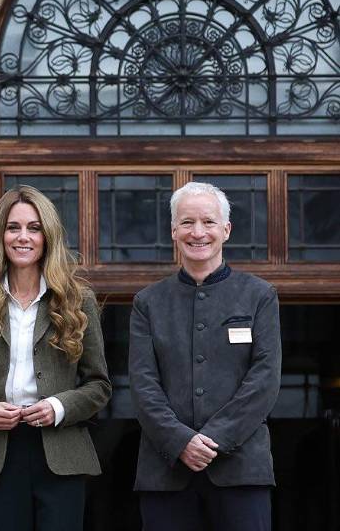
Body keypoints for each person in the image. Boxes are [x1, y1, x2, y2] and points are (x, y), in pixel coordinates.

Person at [0, 185, 111, 531]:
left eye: (33, 228)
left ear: (47, 236)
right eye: (13, 227)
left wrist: (58, 407)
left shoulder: (79, 301)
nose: (23, 237)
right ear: (0, 235)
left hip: (61, 452)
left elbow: (99, 386)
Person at [129, 181, 282, 531]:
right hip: (165, 471)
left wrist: (214, 441)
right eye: (187, 222)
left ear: (226, 230)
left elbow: (265, 379)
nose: (198, 232)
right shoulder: (147, 303)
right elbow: (142, 385)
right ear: (173, 231)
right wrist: (181, 442)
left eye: (208, 222)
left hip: (241, 469)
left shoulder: (260, 296)